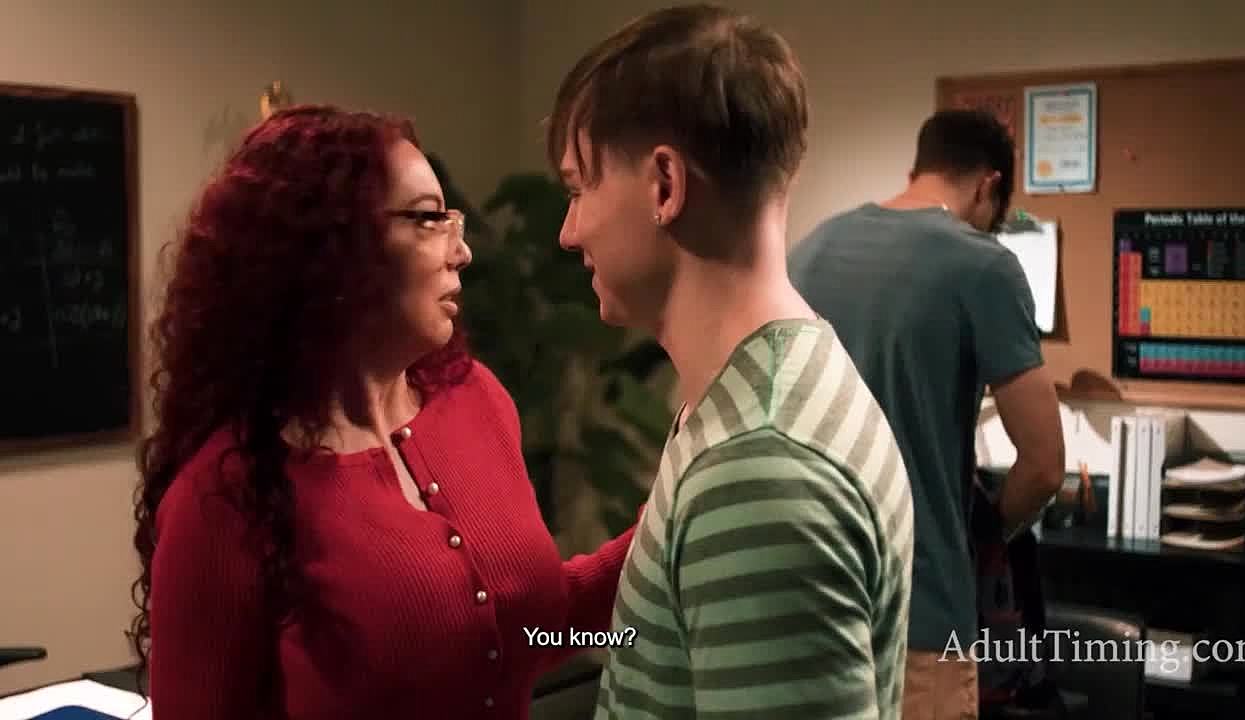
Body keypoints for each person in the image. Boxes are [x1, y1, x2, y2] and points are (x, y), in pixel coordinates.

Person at [131, 105, 635, 720]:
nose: (462, 252)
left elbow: (536, 631)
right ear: (329, 246)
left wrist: (667, 530)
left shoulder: (475, 398)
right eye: (428, 219)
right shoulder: (227, 495)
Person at [546, 5, 914, 719]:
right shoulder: (763, 390)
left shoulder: (759, 468)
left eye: (579, 188)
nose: (568, 231)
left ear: (664, 185)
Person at [788, 108, 1066, 720]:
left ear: (919, 167)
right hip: (922, 618)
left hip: (808, 607)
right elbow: (1045, 467)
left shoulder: (809, 250)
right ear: (989, 186)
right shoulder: (983, 265)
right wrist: (983, 537)